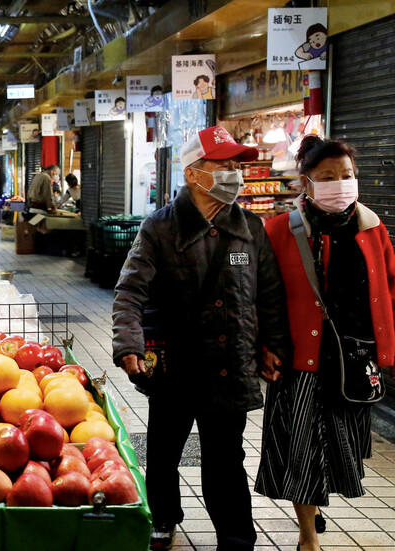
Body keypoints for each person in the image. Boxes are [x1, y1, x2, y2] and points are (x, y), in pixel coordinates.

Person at [112, 126, 290, 550]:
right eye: (223, 164)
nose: (234, 172)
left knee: (226, 458)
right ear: (194, 173)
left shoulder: (250, 227)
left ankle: (235, 537)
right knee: (164, 449)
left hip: (232, 363)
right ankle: (163, 517)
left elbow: (269, 293)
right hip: (177, 361)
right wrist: (129, 344)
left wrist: (274, 346)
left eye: (236, 165)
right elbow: (130, 290)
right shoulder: (160, 227)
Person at [255, 136, 395, 551]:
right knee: (301, 450)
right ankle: (308, 536)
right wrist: (262, 345)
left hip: (354, 360)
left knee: (339, 448)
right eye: (327, 177)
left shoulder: (372, 227)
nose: (340, 184)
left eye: (346, 176)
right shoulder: (277, 231)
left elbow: (394, 290)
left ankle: (315, 502)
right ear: (306, 183)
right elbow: (260, 296)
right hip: (299, 363)